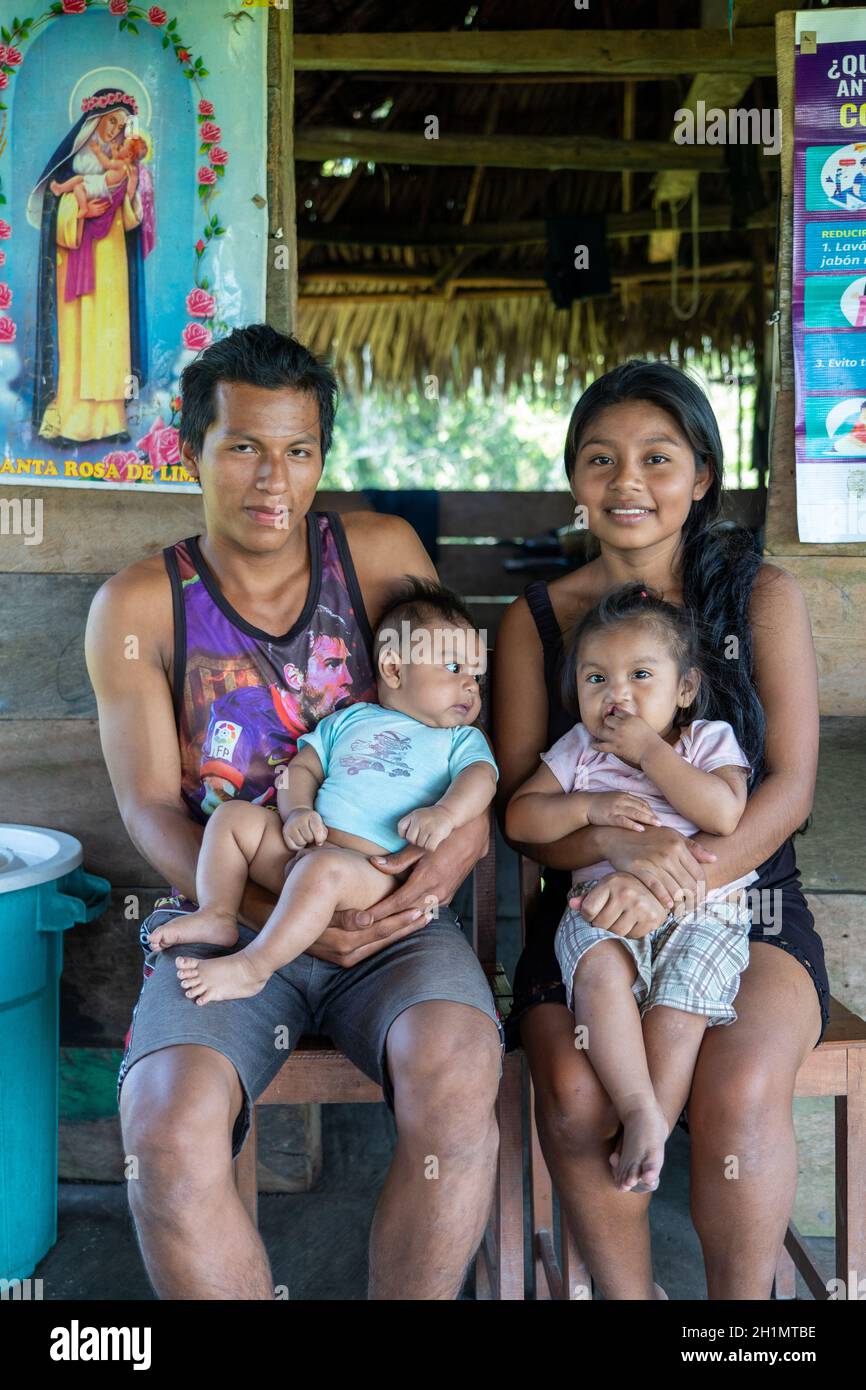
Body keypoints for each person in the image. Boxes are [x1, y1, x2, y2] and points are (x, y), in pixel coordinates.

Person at [85, 325, 503, 1300]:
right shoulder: (141, 606)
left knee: (455, 1068)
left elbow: (463, 733)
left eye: (298, 449)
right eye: (242, 446)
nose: (273, 478)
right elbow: (150, 806)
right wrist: (302, 893)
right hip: (230, 906)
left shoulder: (381, 554)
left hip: (395, 909)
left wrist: (430, 874)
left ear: (322, 457)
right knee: (165, 1123)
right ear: (185, 450)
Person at [494, 359, 829, 1301]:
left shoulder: (759, 597)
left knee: (740, 1086)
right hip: (588, 909)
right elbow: (523, 816)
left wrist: (675, 875)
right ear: (574, 481)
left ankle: (741, 1327)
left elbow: (791, 786)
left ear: (702, 475)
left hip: (748, 893)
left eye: (657, 458)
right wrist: (611, 849)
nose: (627, 483)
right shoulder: (537, 623)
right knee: (575, 1088)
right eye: (601, 460)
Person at [507, 581, 757, 1197]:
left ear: (686, 689)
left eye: (640, 675)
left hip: (704, 911)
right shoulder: (581, 752)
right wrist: (589, 806)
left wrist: (650, 753)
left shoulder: (705, 742)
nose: (616, 695)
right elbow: (521, 818)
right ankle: (638, 1105)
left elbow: (724, 814)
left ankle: (653, 1126)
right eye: (596, 680)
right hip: (605, 908)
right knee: (596, 974)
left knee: (681, 1002)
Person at [149, 579, 497, 1006]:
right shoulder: (349, 720)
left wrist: (445, 814)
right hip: (304, 850)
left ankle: (253, 967)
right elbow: (303, 769)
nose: (470, 686)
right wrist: (295, 812)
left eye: (476, 676)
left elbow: (481, 778)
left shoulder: (459, 740)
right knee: (233, 818)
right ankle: (218, 913)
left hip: (368, 873)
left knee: (322, 871)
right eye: (454, 668)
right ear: (393, 669)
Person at [28, 89, 151, 445]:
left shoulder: (121, 161)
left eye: (121, 124)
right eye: (111, 120)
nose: (115, 129)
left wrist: (126, 197)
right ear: (94, 121)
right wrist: (79, 212)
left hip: (111, 257)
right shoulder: (75, 160)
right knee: (78, 337)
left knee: (111, 334)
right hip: (77, 254)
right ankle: (72, 422)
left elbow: (131, 220)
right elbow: (54, 210)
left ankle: (111, 421)